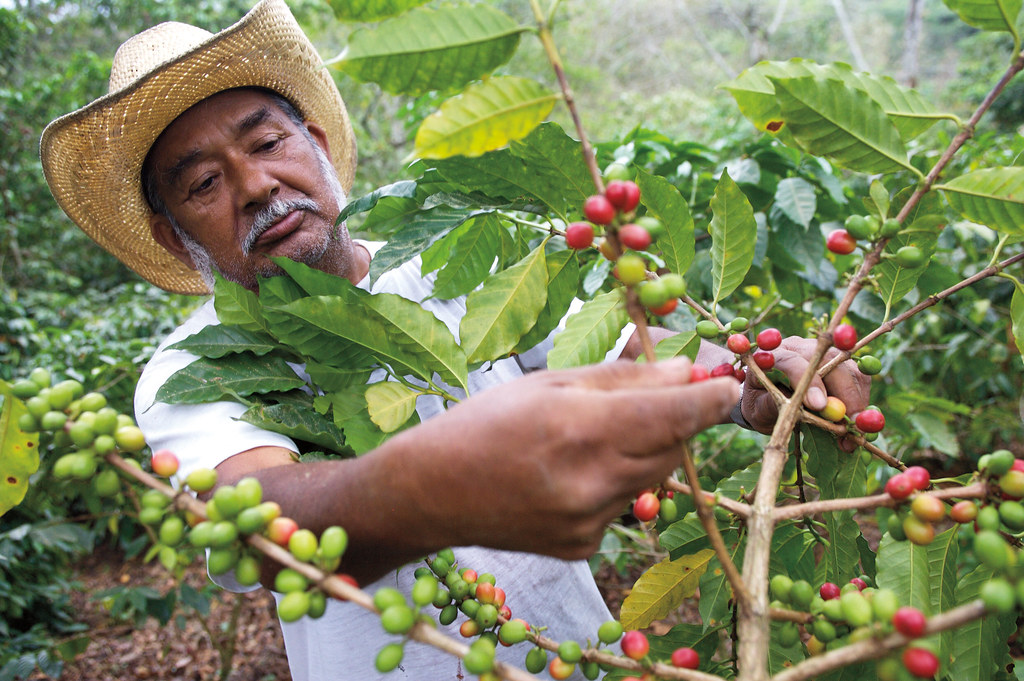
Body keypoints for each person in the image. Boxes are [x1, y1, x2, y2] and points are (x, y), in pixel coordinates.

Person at [40, 1, 870, 679]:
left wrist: (749, 378)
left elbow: (628, 365)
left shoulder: (450, 250)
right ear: (171, 227)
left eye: (266, 142)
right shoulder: (190, 371)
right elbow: (261, 520)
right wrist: (442, 484)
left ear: (317, 145)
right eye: (204, 183)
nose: (256, 184)